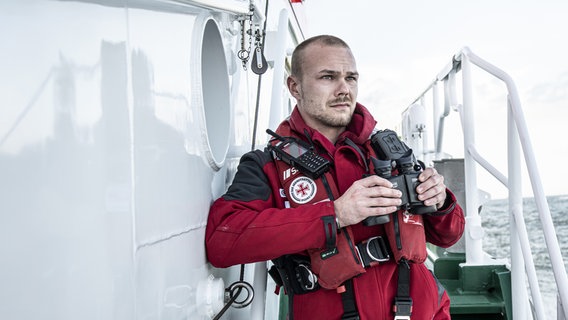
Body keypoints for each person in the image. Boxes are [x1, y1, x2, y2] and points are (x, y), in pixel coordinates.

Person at [205, 35, 465, 320]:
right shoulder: (267, 164)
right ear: (295, 87)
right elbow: (223, 241)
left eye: (351, 78)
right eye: (328, 77)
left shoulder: (391, 152)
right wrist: (336, 214)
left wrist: (439, 201)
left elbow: (449, 235)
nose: (344, 89)